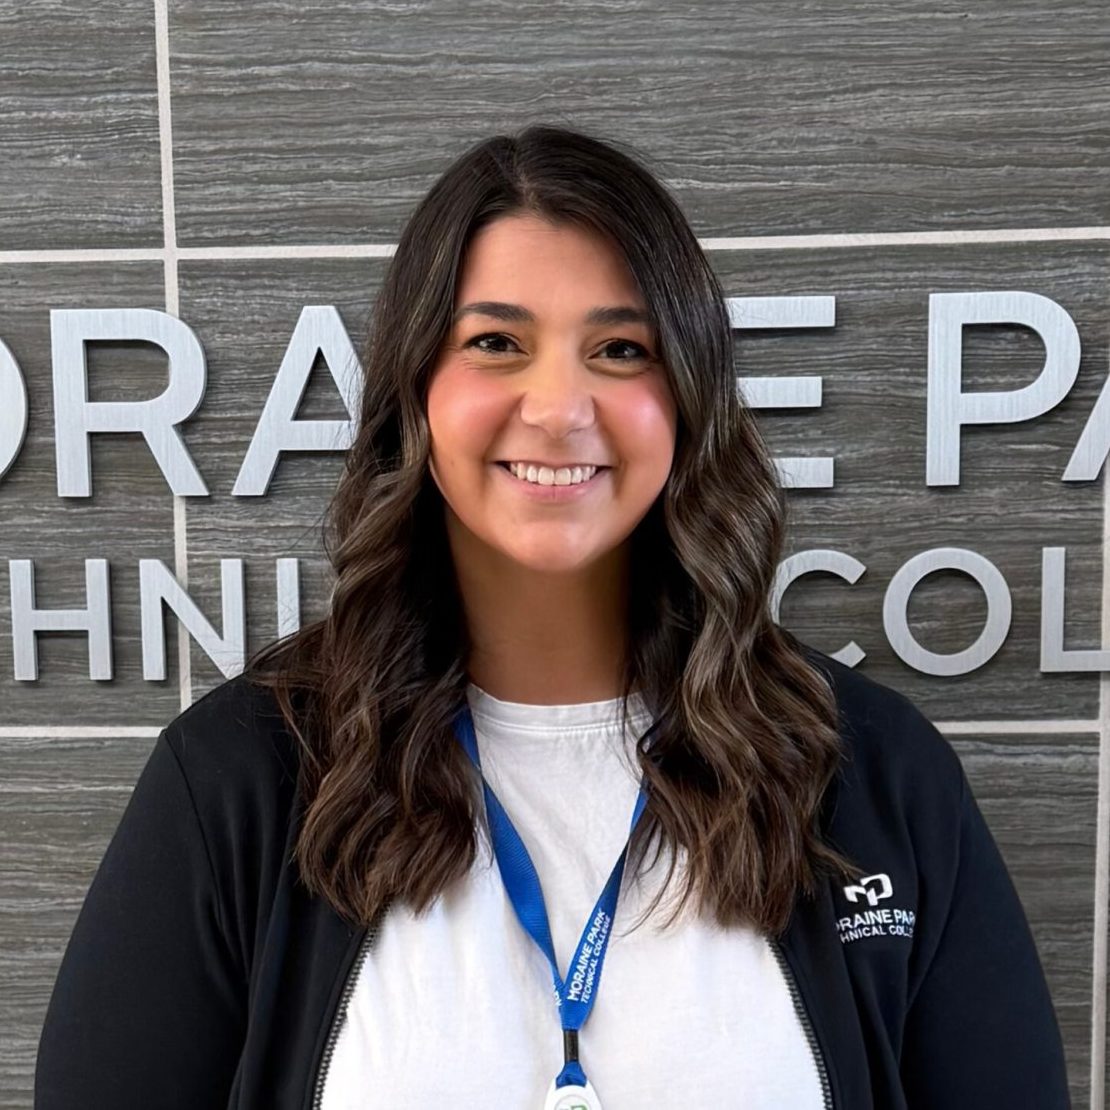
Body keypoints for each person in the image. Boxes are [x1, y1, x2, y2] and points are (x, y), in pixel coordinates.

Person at [35, 124, 1070, 1110]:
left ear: (690, 398)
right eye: (495, 342)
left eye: (621, 350)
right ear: (417, 392)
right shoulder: (240, 782)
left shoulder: (870, 774)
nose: (560, 406)